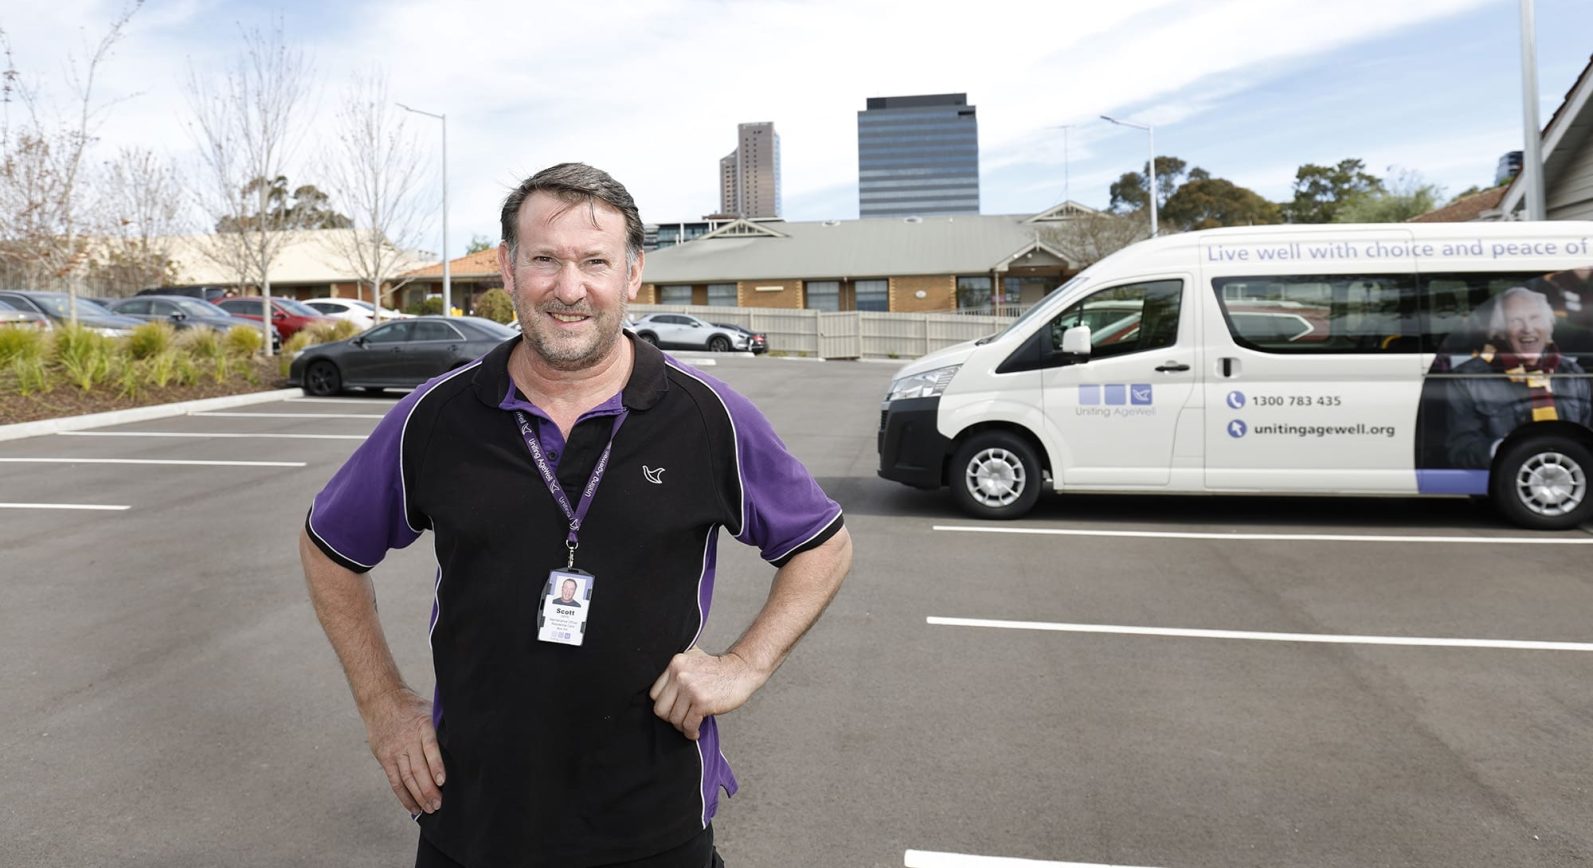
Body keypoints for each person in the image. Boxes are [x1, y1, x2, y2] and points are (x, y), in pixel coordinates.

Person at [299, 162, 852, 868]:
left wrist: (746, 663)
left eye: (595, 261)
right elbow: (328, 551)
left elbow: (822, 545)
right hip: (471, 819)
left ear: (631, 274)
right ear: (506, 269)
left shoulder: (706, 418)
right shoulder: (434, 418)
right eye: (544, 260)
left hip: (653, 826)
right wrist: (383, 705)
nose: (569, 288)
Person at [1446, 286, 1592, 467]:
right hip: (1509, 482)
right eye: (1516, 320)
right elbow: (1460, 449)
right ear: (1500, 331)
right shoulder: (1466, 379)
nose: (1528, 328)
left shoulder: (1574, 374)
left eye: (1535, 318)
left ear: (1549, 326)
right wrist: (1507, 449)